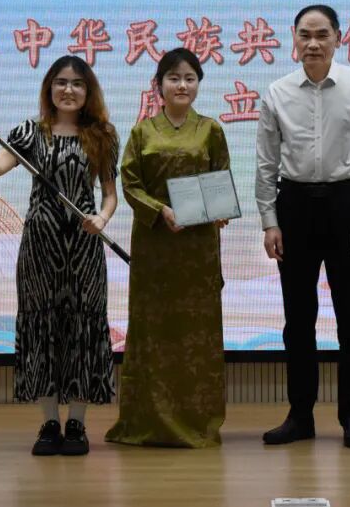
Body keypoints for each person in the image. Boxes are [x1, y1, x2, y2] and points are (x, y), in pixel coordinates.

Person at [0, 55, 118, 457]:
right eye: (61, 82)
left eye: (77, 83)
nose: (68, 90)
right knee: (42, 326)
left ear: (88, 91)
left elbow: (110, 195)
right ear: (49, 88)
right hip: (40, 245)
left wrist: (102, 218)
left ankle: (77, 423)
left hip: (84, 246)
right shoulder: (29, 132)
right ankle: (49, 422)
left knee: (82, 328)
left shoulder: (102, 135)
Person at [255, 4, 350, 449]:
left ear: (338, 38)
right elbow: (266, 164)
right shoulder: (277, 92)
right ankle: (300, 415)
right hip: (294, 206)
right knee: (298, 319)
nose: (313, 43)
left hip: (347, 203)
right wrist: (270, 221)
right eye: (305, 35)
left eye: (322, 35)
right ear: (293, 38)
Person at [106, 47, 231, 448]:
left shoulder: (211, 130)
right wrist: (161, 210)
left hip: (198, 249)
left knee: (198, 332)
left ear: (198, 85)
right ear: (158, 85)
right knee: (153, 331)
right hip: (155, 245)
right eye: (173, 78)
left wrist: (219, 210)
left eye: (189, 78)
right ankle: (147, 422)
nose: (182, 85)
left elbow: (220, 179)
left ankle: (198, 421)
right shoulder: (142, 132)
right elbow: (130, 184)